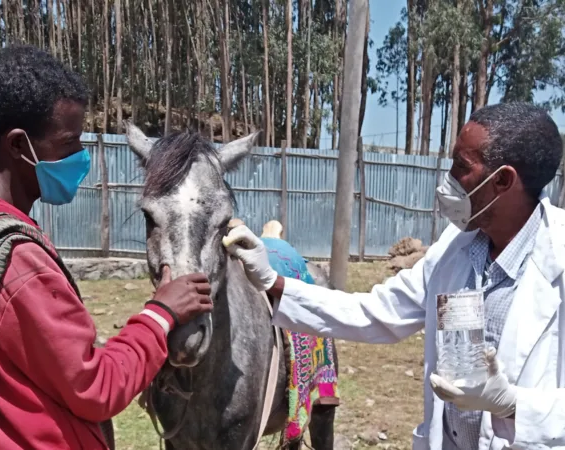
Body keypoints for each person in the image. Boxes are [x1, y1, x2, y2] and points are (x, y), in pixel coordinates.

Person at [224, 102, 565, 450]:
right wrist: (271, 281)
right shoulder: (455, 248)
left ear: (503, 180)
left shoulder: (558, 260)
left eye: (461, 166)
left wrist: (513, 404)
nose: (448, 178)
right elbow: (377, 312)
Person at [0, 45, 213, 449]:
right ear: (16, 145)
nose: (80, 157)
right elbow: (96, 387)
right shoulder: (18, 263)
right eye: (68, 143)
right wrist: (161, 314)